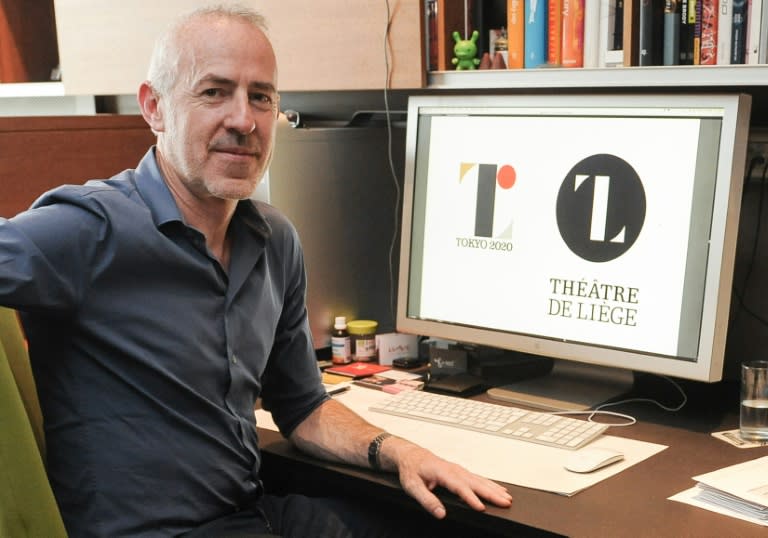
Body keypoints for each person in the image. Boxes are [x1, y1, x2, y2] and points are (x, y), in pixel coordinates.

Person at [0, 4, 512, 537]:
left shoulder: (274, 241)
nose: (243, 120)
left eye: (260, 97)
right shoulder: (90, 229)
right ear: (154, 106)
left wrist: (397, 450)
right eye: (214, 92)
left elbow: (302, 407)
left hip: (250, 516)